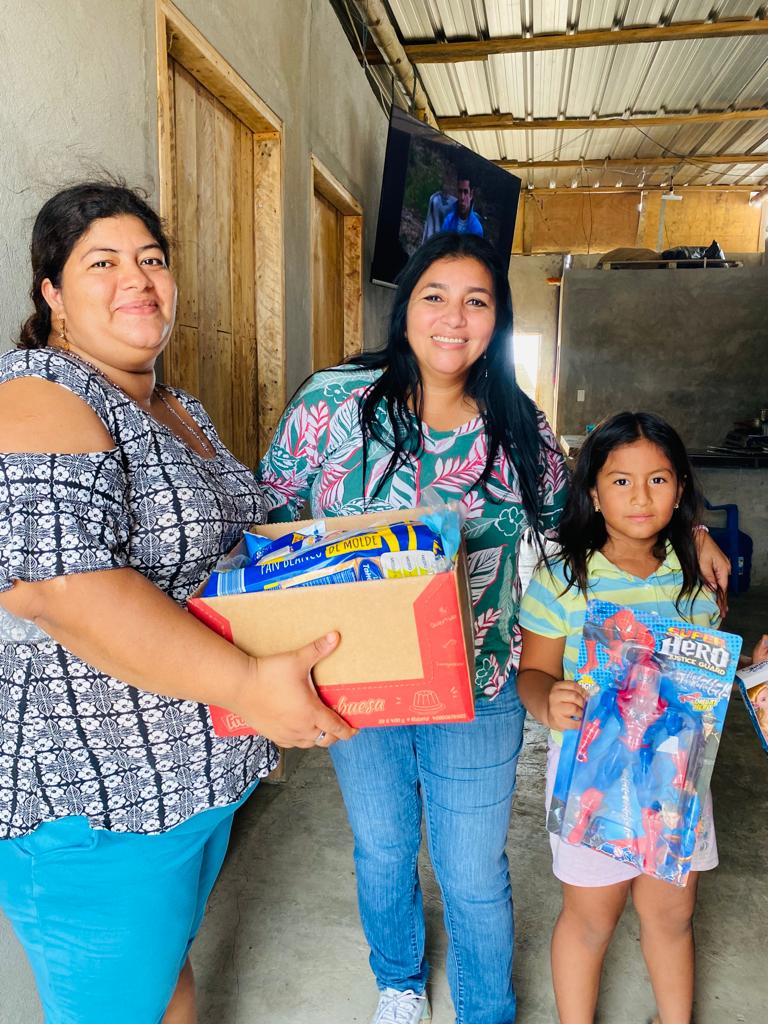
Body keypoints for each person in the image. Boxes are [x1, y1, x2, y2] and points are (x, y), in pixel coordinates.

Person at [256, 237, 728, 1024]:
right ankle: (399, 981)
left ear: (497, 321)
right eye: (435, 296)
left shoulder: (517, 425)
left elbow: (593, 516)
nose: (454, 318)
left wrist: (695, 534)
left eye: (476, 301)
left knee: (473, 869)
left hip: (482, 684)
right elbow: (269, 516)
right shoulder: (332, 403)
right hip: (356, 681)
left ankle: (485, 1009)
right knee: (382, 848)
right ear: (405, 308)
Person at [0, 181, 354, 1024]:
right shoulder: (40, 392)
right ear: (53, 294)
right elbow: (57, 588)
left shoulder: (173, 406)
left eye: (152, 259)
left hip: (195, 787)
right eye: (103, 263)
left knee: (163, 984)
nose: (137, 278)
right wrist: (251, 686)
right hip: (101, 807)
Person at [517, 412, 749, 1024]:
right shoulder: (562, 581)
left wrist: (750, 669)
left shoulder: (697, 580)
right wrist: (547, 699)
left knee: (672, 913)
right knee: (591, 917)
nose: (640, 497)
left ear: (680, 490)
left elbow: (705, 675)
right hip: (592, 779)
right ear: (593, 493)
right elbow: (532, 672)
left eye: (658, 480)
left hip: (677, 780)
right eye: (620, 481)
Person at [441, 172, 484, 237]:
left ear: (471, 194)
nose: (462, 197)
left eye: (466, 192)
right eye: (460, 191)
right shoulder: (448, 220)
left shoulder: (476, 228)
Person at [420, 171, 457, 243]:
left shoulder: (454, 202)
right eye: (446, 183)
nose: (448, 186)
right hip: (435, 235)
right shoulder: (435, 199)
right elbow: (431, 221)